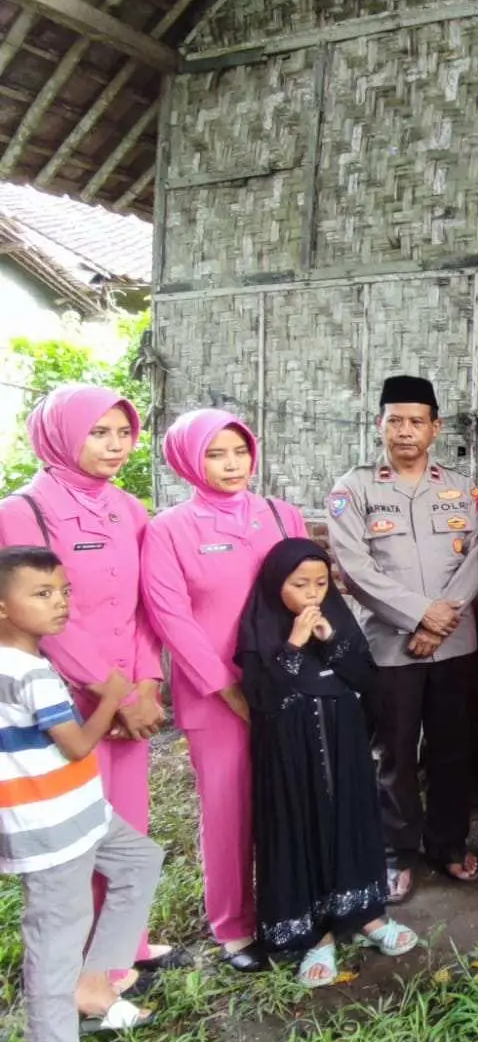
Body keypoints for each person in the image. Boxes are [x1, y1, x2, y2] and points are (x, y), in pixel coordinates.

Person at [0, 384, 178, 991]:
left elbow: (142, 607)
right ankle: (75, 969)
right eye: (98, 432)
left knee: (128, 820)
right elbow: (45, 618)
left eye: (123, 432)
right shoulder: (23, 510)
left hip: (127, 692)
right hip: (60, 700)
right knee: (74, 837)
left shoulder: (128, 509)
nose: (115, 446)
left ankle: (123, 950)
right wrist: (114, 694)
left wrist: (148, 683)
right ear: (60, 434)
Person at [142, 410, 310, 973]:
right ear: (190, 460)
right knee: (229, 807)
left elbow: (309, 591)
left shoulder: (282, 515)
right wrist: (227, 689)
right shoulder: (170, 529)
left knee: (292, 794)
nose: (232, 463)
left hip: (287, 680)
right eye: (216, 454)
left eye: (239, 450)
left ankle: (294, 904)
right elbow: (172, 619)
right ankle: (235, 926)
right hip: (217, 697)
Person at [0, 546, 165, 1042]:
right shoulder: (29, 674)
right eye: (42, 594)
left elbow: (43, 742)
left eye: (64, 591)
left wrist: (93, 728)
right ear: (2, 607)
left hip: (79, 813)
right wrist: (113, 700)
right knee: (55, 937)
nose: (60, 603)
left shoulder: (20, 664)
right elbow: (73, 746)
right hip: (51, 829)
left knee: (141, 860)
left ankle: (91, 988)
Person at [326, 375, 478, 902]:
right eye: (394, 420)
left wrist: (440, 624)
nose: (404, 430)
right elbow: (354, 567)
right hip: (390, 646)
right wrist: (420, 617)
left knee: (452, 748)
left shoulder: (462, 487)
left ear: (434, 428)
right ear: (380, 425)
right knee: (392, 754)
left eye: (416, 421)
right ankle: (397, 854)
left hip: (454, 645)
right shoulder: (354, 489)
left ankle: (448, 843)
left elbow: (477, 557)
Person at [234, 539, 418, 987]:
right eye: (300, 585)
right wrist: (294, 645)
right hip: (290, 750)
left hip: (344, 742)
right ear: (277, 585)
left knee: (352, 820)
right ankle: (318, 939)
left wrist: (330, 639)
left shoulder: (336, 619)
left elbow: (365, 678)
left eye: (321, 583)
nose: (313, 594)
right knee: (304, 827)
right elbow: (264, 697)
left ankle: (368, 916)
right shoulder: (260, 627)